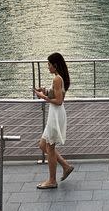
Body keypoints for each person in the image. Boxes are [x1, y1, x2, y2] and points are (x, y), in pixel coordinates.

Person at [34, 52, 74, 189]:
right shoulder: (58, 78)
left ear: (55, 65)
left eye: (49, 64)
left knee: (50, 147)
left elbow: (58, 100)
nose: (47, 67)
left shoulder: (57, 79)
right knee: (42, 145)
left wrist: (42, 96)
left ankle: (52, 180)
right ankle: (66, 166)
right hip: (54, 114)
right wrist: (44, 91)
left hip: (56, 114)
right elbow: (56, 93)